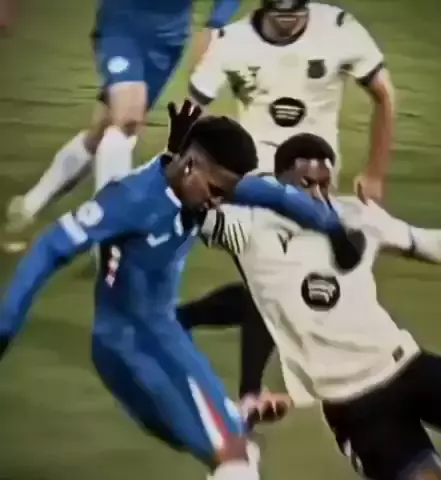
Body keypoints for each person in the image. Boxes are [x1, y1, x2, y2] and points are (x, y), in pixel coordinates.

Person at [0, 103, 357, 480]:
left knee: (234, 452)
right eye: (215, 191)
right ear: (190, 165)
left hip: (157, 343)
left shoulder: (201, 182)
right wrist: (6, 324)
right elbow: (50, 247)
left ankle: (233, 417)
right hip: (135, 346)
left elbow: (278, 196)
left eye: (225, 194)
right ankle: (230, 421)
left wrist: (333, 228)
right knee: (234, 458)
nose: (218, 202)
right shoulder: (132, 199)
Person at [198, 133, 441, 480]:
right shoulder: (246, 228)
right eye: (306, 184)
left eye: (324, 184)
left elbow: (427, 243)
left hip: (409, 366)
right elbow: (193, 200)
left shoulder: (355, 215)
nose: (318, 196)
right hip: (355, 408)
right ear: (279, 182)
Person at [3, 0, 242, 249]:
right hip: (122, 26)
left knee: (103, 130)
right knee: (127, 117)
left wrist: (216, 24)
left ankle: (29, 206)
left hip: (169, 40)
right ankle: (110, 235)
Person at [189, 0, 395, 201]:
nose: (287, 13)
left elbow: (385, 95)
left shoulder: (339, 29)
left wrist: (375, 174)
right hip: (257, 171)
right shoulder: (232, 40)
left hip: (317, 173)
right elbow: (192, 109)